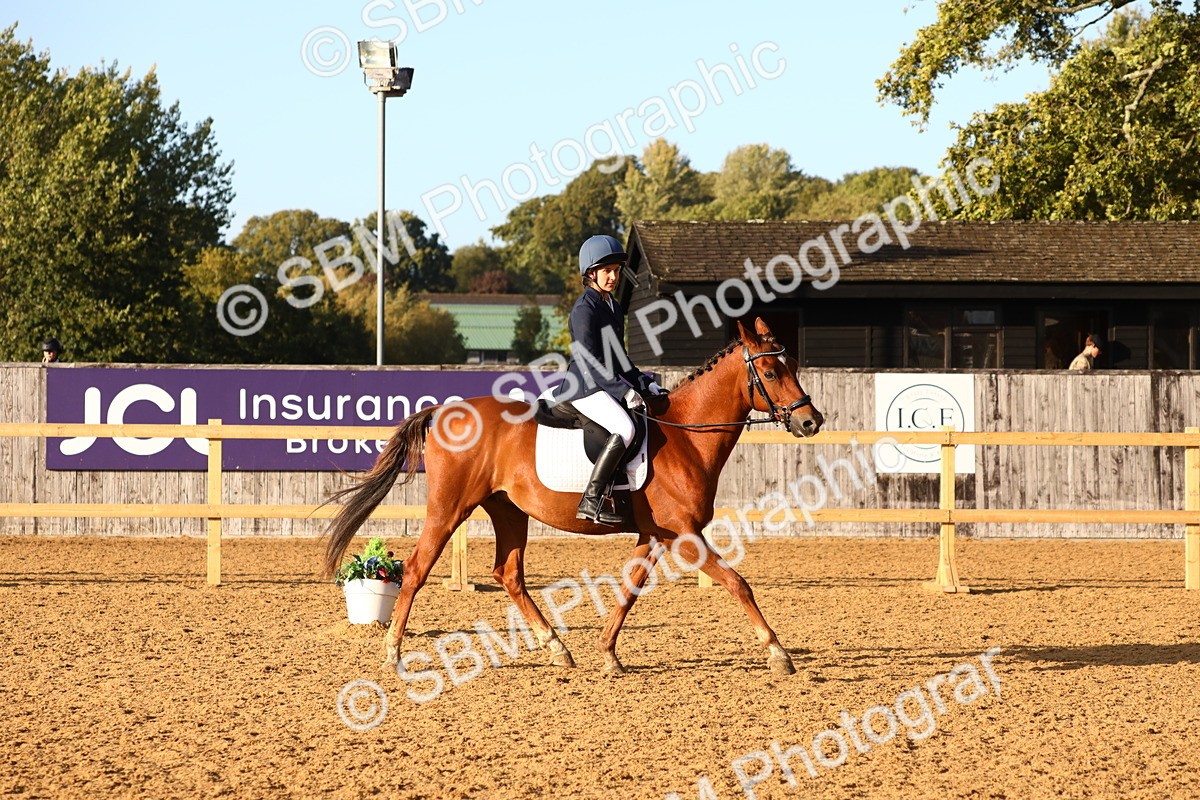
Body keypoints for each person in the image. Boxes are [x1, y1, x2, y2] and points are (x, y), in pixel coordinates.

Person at [553, 235, 664, 525]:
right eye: (607, 271)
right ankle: (591, 499)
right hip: (584, 386)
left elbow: (619, 359)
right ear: (591, 274)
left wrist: (644, 383)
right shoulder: (584, 309)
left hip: (603, 383)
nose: (613, 277)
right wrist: (623, 392)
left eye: (616, 270)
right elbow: (590, 360)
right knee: (624, 427)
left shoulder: (613, 307)